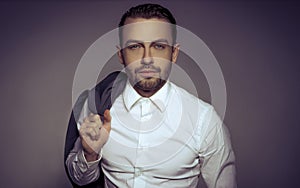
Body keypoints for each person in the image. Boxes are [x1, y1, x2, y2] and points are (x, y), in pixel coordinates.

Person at [65, 3, 236, 188]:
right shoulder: (97, 106)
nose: (147, 58)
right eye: (135, 47)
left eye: (159, 46)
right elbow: (80, 180)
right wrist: (89, 154)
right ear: (121, 55)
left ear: (174, 53)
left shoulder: (204, 119)